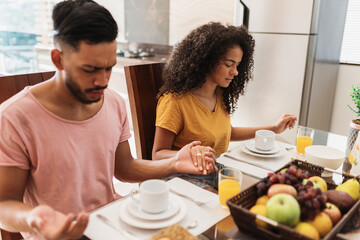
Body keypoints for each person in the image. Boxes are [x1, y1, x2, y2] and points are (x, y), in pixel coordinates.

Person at [0, 1, 216, 239]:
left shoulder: (113, 102)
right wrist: (35, 219)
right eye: (90, 69)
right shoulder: (14, 117)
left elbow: (123, 168)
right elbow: (4, 205)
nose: (102, 81)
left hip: (113, 223)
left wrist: (173, 163)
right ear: (58, 59)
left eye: (109, 68)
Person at [152, 22, 297, 180]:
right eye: (229, 64)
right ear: (207, 60)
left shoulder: (219, 95)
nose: (235, 72)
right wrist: (190, 154)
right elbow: (158, 154)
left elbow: (227, 132)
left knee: (268, 181)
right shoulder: (175, 100)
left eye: (238, 65)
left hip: (213, 172)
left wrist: (273, 129)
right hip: (183, 177)